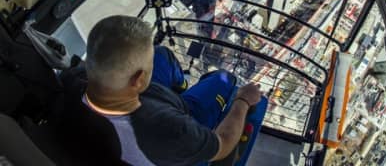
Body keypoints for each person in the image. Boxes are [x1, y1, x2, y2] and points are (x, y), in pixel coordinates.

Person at [84, 15, 265, 165]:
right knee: (222, 79)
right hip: (178, 111)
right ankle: (186, 89)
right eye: (149, 63)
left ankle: (182, 85)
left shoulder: (73, 81)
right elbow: (224, 145)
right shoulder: (173, 131)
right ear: (138, 79)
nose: (151, 63)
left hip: (140, 97)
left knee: (162, 55)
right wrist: (243, 101)